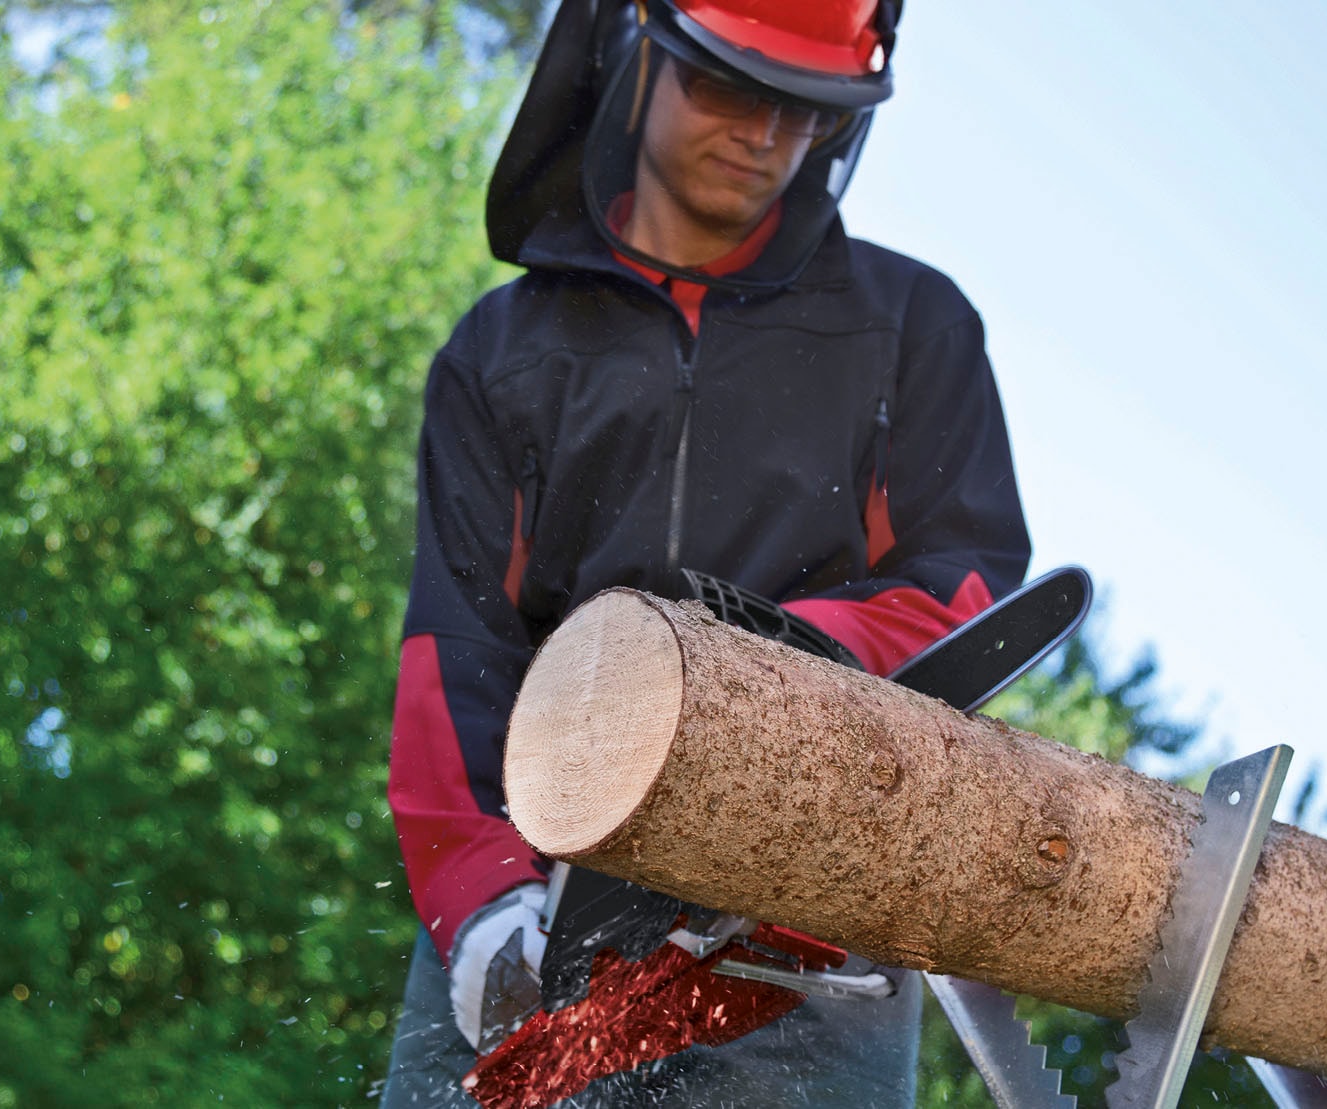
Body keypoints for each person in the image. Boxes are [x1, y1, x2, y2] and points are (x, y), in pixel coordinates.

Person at [379, 0, 1031, 1104]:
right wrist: (483, 900)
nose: (763, 136)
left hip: (805, 924)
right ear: (638, 56)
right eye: (729, 89)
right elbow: (453, 655)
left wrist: (751, 660)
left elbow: (960, 591)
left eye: (803, 111)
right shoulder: (503, 354)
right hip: (548, 886)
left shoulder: (907, 328)